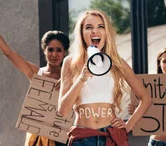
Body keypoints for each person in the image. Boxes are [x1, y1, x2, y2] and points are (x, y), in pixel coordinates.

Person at [0, 1, 70, 146]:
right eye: (50, 50)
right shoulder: (36, 73)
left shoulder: (72, 76)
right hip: (39, 138)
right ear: (44, 51)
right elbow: (7, 52)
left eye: (59, 50)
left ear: (65, 52)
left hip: (65, 137)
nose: (54, 54)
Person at [58, 9, 152, 146]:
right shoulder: (70, 62)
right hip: (83, 138)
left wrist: (128, 125)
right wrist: (81, 79)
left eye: (100, 26)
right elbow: (63, 111)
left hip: (111, 136)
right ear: (82, 33)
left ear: (106, 32)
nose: (95, 31)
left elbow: (146, 98)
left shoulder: (116, 62)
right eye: (89, 27)